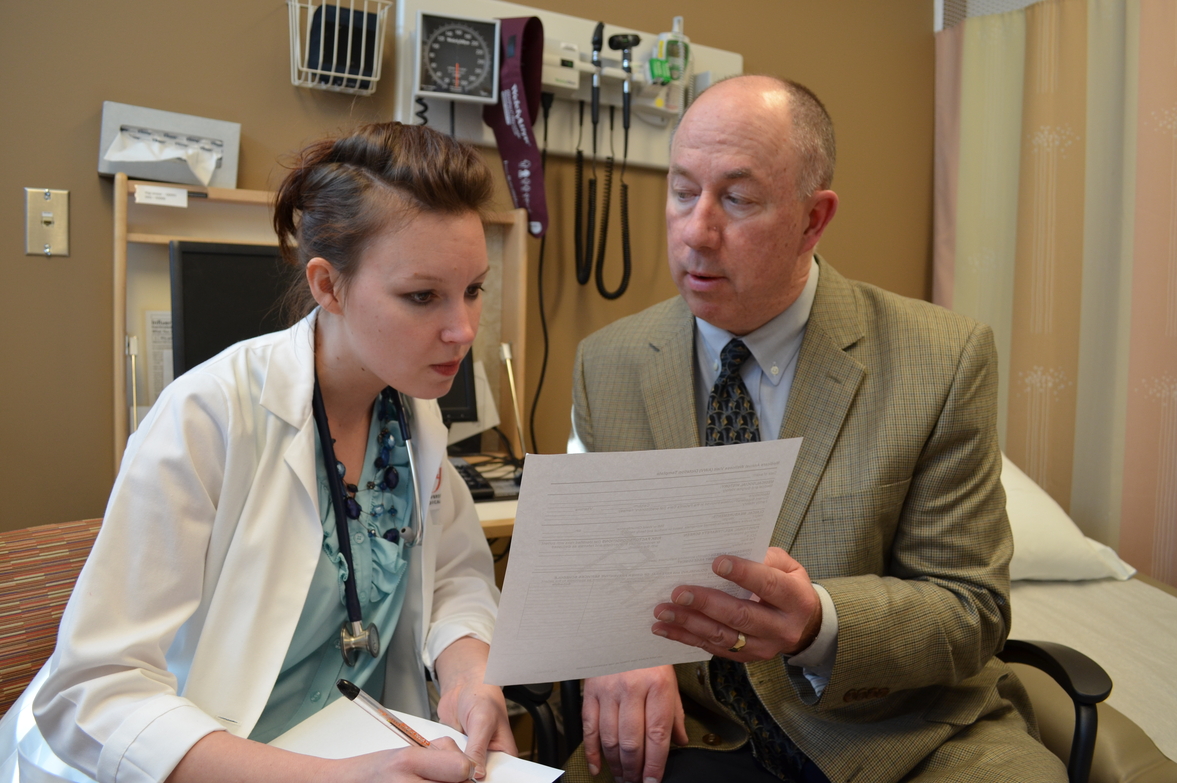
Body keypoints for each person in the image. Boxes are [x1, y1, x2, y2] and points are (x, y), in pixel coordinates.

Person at [564, 76, 1066, 783]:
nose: (695, 231)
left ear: (813, 219)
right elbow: (585, 565)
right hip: (690, 729)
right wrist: (608, 648)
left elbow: (971, 609)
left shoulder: (940, 358)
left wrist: (818, 623)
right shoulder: (608, 364)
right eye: (681, 191)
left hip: (905, 737)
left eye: (736, 199)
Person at [0, 122, 515, 783]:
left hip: (356, 739)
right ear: (328, 286)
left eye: (472, 288)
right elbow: (93, 692)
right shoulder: (208, 416)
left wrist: (468, 672)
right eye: (422, 296)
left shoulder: (411, 411)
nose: (463, 329)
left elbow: (454, 576)